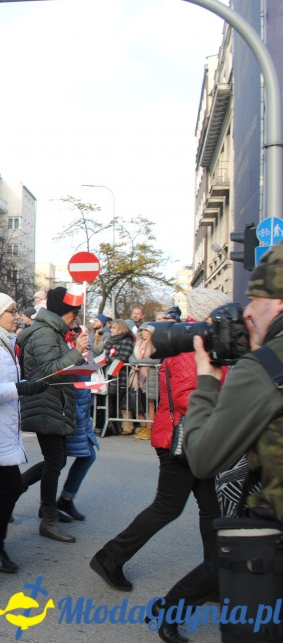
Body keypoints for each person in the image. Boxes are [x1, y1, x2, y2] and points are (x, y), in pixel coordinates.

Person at [90, 288, 227, 615]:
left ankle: (214, 577)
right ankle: (110, 557)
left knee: (211, 507)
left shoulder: (199, 340)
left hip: (195, 438)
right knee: (169, 506)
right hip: (180, 440)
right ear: (210, 315)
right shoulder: (187, 341)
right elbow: (186, 397)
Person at [183, 246, 283, 643]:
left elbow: (204, 458)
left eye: (255, 300)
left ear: (277, 304)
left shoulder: (267, 367)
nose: (246, 312)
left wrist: (206, 381)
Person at [0, 290, 48, 574]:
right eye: (11, 312)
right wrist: (19, 388)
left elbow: (2, 385)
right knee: (10, 486)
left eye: (15, 311)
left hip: (1, 431)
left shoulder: (4, 345)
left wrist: (28, 383)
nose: (17, 316)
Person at [17, 286, 89, 543]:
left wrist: (80, 363)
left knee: (56, 461)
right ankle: (47, 517)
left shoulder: (53, 331)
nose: (76, 319)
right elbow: (48, 371)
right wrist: (77, 353)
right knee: (55, 460)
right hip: (45, 402)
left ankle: (36, 505)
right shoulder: (46, 333)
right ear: (63, 312)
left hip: (52, 401)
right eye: (74, 313)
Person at [56, 321, 98, 523]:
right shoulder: (63, 346)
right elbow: (63, 373)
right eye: (75, 330)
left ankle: (65, 498)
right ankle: (16, 491)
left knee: (87, 456)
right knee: (54, 462)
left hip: (81, 407)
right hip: (69, 410)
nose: (80, 333)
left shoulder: (80, 347)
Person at [128, 322, 160, 440]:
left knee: (150, 402)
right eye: (142, 331)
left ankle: (150, 428)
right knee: (137, 402)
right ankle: (143, 426)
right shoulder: (137, 343)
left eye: (146, 331)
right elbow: (131, 356)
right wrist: (133, 363)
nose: (144, 333)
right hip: (137, 376)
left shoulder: (155, 345)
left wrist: (140, 362)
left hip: (150, 376)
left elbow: (156, 359)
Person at [104, 320, 135, 435]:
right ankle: (112, 427)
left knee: (120, 402)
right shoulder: (109, 341)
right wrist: (109, 359)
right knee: (110, 400)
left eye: (114, 328)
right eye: (111, 328)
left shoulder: (126, 341)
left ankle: (123, 426)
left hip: (120, 376)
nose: (111, 330)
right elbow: (105, 356)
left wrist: (110, 360)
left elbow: (122, 358)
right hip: (109, 375)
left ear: (121, 329)